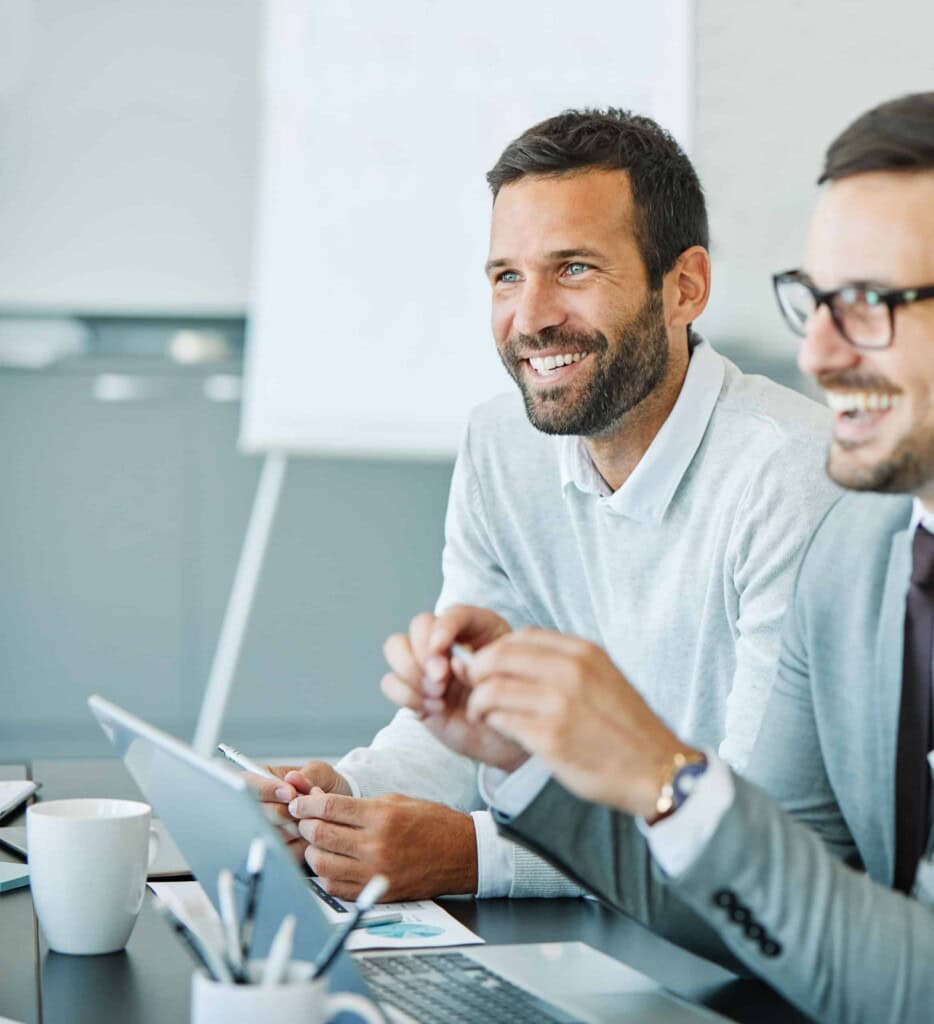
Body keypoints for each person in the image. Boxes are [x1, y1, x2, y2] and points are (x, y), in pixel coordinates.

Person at [383, 92, 934, 1021]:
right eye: (819, 300)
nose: (820, 351)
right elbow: (764, 912)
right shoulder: (863, 547)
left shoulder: (802, 491)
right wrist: (525, 766)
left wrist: (664, 777)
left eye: (875, 302)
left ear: (684, 287)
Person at [249, 108, 837, 903]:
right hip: (599, 915)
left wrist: (483, 857)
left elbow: (762, 834)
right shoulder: (500, 445)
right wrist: (345, 798)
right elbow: (469, 721)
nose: (529, 319)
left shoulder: (789, 474)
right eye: (506, 276)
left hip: (744, 948)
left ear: (685, 287)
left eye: (574, 269)